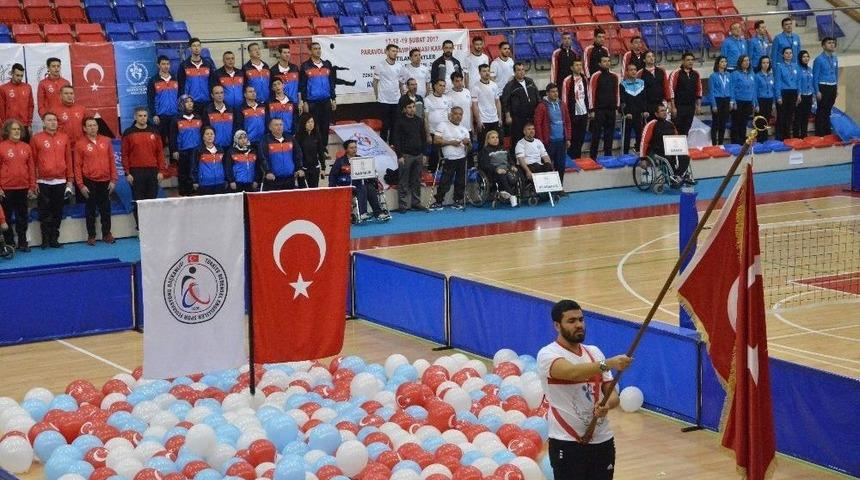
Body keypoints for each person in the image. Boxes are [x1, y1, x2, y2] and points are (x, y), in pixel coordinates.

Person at [538, 299, 632, 480]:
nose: (579, 325)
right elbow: (573, 373)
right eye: (572, 321)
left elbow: (612, 394)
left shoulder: (595, 353)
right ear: (557, 325)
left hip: (602, 440)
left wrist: (607, 405)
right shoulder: (548, 354)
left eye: (581, 319)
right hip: (566, 442)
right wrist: (610, 363)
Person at [30, 112, 72, 248]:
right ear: (43, 123)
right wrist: (34, 181)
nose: (53, 122)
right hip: (43, 181)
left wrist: (69, 180)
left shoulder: (64, 137)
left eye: (55, 120)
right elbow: (32, 162)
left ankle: (54, 239)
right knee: (44, 212)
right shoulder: (36, 138)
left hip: (60, 181)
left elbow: (68, 160)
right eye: (49, 120)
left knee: (57, 211)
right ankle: (45, 240)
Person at [74, 117, 117, 245]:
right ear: (84, 128)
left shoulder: (106, 141)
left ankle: (107, 234)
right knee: (90, 210)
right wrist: (81, 185)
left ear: (97, 127)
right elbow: (77, 166)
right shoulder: (80, 144)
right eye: (90, 125)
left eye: (94, 125)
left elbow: (112, 161)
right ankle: (91, 236)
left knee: (106, 209)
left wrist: (113, 180)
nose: (93, 127)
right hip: (89, 181)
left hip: (105, 181)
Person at [121, 107, 164, 227]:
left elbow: (160, 152)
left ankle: (151, 227)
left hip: (152, 171)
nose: (143, 118)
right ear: (135, 117)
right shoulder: (128, 133)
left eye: (145, 115)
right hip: (136, 172)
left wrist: (160, 171)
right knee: (138, 201)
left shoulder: (154, 132)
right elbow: (125, 154)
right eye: (140, 116)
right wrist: (127, 173)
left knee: (151, 201)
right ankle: (140, 228)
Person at [329, 139, 390, 221]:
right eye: (351, 148)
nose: (354, 149)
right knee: (362, 187)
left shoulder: (360, 159)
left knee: (370, 188)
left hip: (361, 182)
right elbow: (333, 175)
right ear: (346, 149)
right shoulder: (340, 161)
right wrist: (332, 189)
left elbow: (367, 172)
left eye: (355, 147)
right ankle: (362, 213)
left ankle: (378, 213)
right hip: (347, 184)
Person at [0, 120, 36, 252]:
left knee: (22, 217)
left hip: (23, 188)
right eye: (14, 129)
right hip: (6, 189)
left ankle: (22, 242)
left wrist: (32, 186)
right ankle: (9, 243)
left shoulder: (26, 147)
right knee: (7, 218)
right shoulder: (1, 147)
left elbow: (31, 168)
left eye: (18, 129)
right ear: (7, 132)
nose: (17, 131)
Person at [641, 104, 693, 187]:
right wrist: (643, 158)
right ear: (656, 114)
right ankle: (673, 178)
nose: (664, 112)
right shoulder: (651, 124)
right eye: (662, 111)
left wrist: (682, 149)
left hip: (670, 150)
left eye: (665, 110)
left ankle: (678, 175)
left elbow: (677, 139)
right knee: (666, 159)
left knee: (685, 157)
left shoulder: (670, 124)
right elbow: (644, 142)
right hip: (655, 152)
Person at [430, 106, 471, 211]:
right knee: (445, 181)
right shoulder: (443, 125)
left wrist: (468, 143)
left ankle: (457, 201)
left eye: (460, 114)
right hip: (449, 158)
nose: (458, 116)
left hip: (461, 157)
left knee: (460, 181)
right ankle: (438, 201)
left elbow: (469, 148)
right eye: (456, 114)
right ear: (450, 115)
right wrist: (450, 142)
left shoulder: (464, 129)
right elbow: (436, 141)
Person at [392, 97, 428, 213]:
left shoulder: (419, 120)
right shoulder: (399, 122)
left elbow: (423, 138)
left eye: (413, 107)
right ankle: (402, 205)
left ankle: (416, 203)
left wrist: (424, 153)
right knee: (403, 181)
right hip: (405, 155)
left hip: (418, 154)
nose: (412, 109)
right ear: (404, 109)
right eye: (409, 107)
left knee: (416, 180)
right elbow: (396, 140)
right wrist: (399, 155)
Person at [300, 42, 337, 151]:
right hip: (312, 102)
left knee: (325, 126)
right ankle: (315, 148)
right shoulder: (305, 66)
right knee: (314, 126)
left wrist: (333, 99)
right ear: (310, 51)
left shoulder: (327, 64)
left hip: (326, 101)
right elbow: (302, 85)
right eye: (315, 49)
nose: (318, 51)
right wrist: (304, 101)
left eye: (319, 48)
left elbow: (331, 83)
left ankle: (324, 148)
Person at [533, 83, 570, 186]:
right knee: (548, 166)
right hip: (548, 142)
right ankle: (548, 188)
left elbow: (567, 122)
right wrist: (541, 141)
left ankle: (559, 187)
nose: (555, 94)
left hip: (561, 141)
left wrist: (568, 138)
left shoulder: (562, 104)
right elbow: (537, 124)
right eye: (553, 92)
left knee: (561, 166)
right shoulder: (542, 106)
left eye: (557, 91)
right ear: (547, 93)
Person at [169, 95, 203, 196]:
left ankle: (195, 191)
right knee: (183, 173)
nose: (189, 103)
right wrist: (174, 150)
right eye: (186, 102)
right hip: (183, 150)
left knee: (195, 170)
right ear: (181, 104)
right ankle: (184, 193)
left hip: (196, 150)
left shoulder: (198, 117)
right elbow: (173, 136)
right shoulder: (176, 119)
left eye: (191, 101)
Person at [501, 62, 539, 150]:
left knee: (531, 137)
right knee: (517, 138)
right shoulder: (510, 85)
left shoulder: (530, 81)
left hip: (531, 115)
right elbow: (505, 101)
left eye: (523, 70)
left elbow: (537, 96)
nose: (521, 72)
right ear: (514, 72)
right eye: (518, 70)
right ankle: (516, 159)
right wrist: (507, 115)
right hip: (517, 117)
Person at [259, 117, 303, 190]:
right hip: (273, 179)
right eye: (276, 125)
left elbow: (298, 154)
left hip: (290, 178)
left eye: (281, 124)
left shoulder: (290, 138)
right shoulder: (265, 140)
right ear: (270, 127)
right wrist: (267, 171)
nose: (279, 127)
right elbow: (263, 158)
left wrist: (299, 168)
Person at [588, 56, 619, 159]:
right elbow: (591, 93)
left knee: (609, 135)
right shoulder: (595, 76)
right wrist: (592, 110)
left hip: (611, 110)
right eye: (604, 61)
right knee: (596, 134)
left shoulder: (614, 76)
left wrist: (617, 108)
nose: (607, 63)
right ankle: (593, 157)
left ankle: (608, 156)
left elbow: (617, 93)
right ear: (600, 64)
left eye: (608, 61)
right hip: (599, 110)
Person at [478, 129, 517, 206]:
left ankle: (505, 192)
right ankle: (512, 195)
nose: (495, 139)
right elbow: (484, 165)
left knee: (515, 174)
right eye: (493, 137)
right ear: (488, 140)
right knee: (502, 175)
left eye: (497, 137)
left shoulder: (503, 149)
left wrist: (512, 166)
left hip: (506, 170)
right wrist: (497, 169)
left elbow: (510, 160)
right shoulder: (485, 150)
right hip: (493, 172)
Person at [374, 44, 404, 143]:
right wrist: (377, 96)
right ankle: (383, 144)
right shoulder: (380, 65)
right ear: (386, 52)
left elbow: (401, 83)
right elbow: (375, 82)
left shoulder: (399, 66)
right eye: (392, 51)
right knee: (384, 125)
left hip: (396, 100)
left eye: (396, 51)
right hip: (383, 100)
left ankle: (392, 145)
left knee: (394, 125)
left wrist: (402, 97)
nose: (394, 53)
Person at [148, 55, 179, 148]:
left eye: (168, 64)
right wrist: (154, 114)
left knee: (174, 142)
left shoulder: (175, 78)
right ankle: (162, 162)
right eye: (163, 64)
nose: (166, 66)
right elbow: (150, 99)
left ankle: (173, 162)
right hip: (161, 116)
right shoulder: (153, 80)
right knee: (161, 142)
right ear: (158, 65)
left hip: (174, 115)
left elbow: (180, 97)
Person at [177, 38, 217, 109]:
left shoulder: (208, 64)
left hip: (207, 102)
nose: (196, 48)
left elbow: (213, 82)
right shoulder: (184, 65)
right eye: (194, 46)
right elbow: (180, 85)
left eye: (198, 46)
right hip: (191, 103)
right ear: (190, 48)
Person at [669, 52, 702, 135]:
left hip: (691, 106)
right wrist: (673, 107)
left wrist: (698, 106)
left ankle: (683, 146)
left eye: (692, 60)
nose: (690, 62)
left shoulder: (696, 74)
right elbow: (671, 90)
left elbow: (699, 90)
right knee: (677, 129)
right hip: (678, 106)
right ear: (682, 61)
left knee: (686, 129)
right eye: (688, 60)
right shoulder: (675, 73)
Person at [562, 59, 589, 159]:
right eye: (576, 65)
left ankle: (578, 157)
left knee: (581, 137)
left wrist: (589, 109)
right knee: (572, 138)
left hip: (584, 113)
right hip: (573, 114)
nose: (579, 67)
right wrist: (566, 113)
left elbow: (587, 95)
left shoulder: (585, 79)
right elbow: (564, 97)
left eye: (580, 65)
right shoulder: (567, 80)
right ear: (572, 68)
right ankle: (570, 158)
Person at [424, 78, 452, 171]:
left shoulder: (448, 99)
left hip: (445, 132)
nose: (442, 87)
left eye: (444, 86)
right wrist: (428, 134)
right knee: (435, 153)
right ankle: (432, 171)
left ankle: (446, 170)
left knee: (447, 152)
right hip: (433, 131)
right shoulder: (427, 99)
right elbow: (426, 118)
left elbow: (449, 116)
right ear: (435, 86)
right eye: (440, 85)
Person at [0, 64, 34, 140]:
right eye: (17, 75)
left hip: (24, 125)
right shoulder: (3, 88)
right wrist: (3, 127)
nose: (20, 78)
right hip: (10, 126)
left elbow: (30, 106)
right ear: (12, 73)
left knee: (24, 149)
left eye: (21, 76)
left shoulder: (27, 87)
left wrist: (29, 124)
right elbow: (1, 109)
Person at [516, 122, 554, 190]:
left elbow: (545, 156)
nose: (532, 131)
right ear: (524, 132)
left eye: (533, 129)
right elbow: (520, 160)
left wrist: (550, 168)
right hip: (528, 166)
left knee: (548, 165)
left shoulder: (538, 142)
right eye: (529, 129)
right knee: (537, 166)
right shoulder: (520, 144)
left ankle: (553, 189)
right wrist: (527, 171)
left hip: (538, 165)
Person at [471, 64, 502, 148]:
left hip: (494, 120)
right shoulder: (475, 87)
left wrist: (499, 118)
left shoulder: (494, 85)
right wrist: (478, 120)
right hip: (483, 121)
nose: (487, 73)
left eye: (488, 71)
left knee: (497, 144)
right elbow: (474, 105)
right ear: (479, 73)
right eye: (484, 71)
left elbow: (497, 102)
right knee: (482, 145)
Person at [190, 126, 227, 195]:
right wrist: (195, 181)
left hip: (220, 182)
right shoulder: (198, 150)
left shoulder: (220, 149)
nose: (210, 136)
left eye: (212, 134)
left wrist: (226, 179)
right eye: (207, 134)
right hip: (205, 184)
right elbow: (194, 166)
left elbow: (225, 165)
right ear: (203, 137)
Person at [620, 63, 647, 155]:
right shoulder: (623, 84)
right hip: (628, 115)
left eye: (635, 69)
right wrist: (626, 112)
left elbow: (644, 99)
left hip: (639, 114)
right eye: (631, 70)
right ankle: (625, 154)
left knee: (640, 134)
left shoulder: (641, 83)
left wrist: (645, 110)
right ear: (627, 72)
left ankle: (639, 152)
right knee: (626, 135)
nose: (633, 71)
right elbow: (622, 101)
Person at [813, 37, 838, 136]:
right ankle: (820, 133)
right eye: (829, 43)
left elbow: (836, 74)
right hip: (823, 86)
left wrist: (836, 88)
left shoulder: (835, 58)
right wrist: (817, 91)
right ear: (823, 46)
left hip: (833, 87)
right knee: (821, 111)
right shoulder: (819, 59)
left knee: (828, 111)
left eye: (833, 42)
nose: (832, 44)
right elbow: (815, 76)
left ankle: (827, 132)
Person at [730, 55, 757, 145]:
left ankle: (742, 141)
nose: (747, 62)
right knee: (736, 123)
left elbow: (754, 89)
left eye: (748, 60)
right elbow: (732, 88)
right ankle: (734, 142)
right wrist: (733, 101)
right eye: (744, 60)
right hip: (738, 101)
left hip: (748, 101)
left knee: (744, 123)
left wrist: (754, 102)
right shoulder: (735, 74)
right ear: (740, 62)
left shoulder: (752, 73)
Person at [294, 113, 325, 188]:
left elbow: (321, 151)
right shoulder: (298, 137)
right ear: (303, 123)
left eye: (312, 122)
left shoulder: (317, 135)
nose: (311, 124)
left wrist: (323, 167)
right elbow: (296, 154)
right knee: (304, 192)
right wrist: (299, 168)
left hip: (315, 168)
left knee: (314, 191)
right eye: (308, 122)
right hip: (303, 169)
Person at [774, 47, 799, 140]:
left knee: (789, 116)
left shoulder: (795, 66)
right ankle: (779, 138)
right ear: (783, 55)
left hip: (793, 93)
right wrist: (778, 96)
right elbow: (777, 82)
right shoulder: (779, 66)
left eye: (790, 53)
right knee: (781, 116)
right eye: (786, 53)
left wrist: (798, 94)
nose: (789, 55)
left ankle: (787, 137)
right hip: (783, 92)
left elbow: (798, 81)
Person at [203, 84, 237, 149]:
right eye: (217, 93)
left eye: (221, 92)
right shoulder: (207, 110)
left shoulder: (231, 110)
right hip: (214, 147)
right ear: (212, 95)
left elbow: (235, 127)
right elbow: (205, 128)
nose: (220, 95)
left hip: (229, 146)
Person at [638, 51, 670, 117]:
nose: (651, 58)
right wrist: (643, 109)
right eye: (649, 57)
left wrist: (669, 102)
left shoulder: (661, 71)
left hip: (660, 104)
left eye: (652, 56)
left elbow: (666, 87)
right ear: (644, 60)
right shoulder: (640, 73)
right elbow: (638, 93)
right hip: (647, 106)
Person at [708, 56, 732, 145]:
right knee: (716, 123)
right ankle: (714, 143)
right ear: (718, 63)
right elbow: (711, 91)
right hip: (717, 100)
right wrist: (714, 104)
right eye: (722, 61)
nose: (724, 63)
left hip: (726, 100)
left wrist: (731, 101)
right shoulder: (713, 76)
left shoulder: (729, 75)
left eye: (725, 61)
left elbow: (731, 89)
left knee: (723, 123)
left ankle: (721, 143)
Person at [270, 44, 301, 109]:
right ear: (279, 54)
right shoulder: (273, 70)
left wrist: (300, 101)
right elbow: (272, 89)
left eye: (288, 52)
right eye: (284, 53)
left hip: (295, 104)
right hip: (279, 105)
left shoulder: (295, 68)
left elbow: (299, 87)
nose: (287, 55)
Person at [447, 72, 473, 140]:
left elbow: (470, 109)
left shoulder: (467, 92)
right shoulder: (448, 95)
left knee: (469, 149)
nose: (460, 83)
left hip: (468, 128)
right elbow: (448, 114)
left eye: (461, 80)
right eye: (457, 81)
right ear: (452, 82)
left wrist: (472, 125)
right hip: (456, 129)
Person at [794, 50, 814, 139]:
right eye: (804, 57)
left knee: (806, 117)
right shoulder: (797, 69)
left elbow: (812, 82)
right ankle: (796, 136)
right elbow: (797, 83)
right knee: (798, 117)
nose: (806, 58)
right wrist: (798, 94)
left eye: (807, 56)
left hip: (809, 95)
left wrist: (813, 94)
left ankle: (804, 135)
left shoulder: (810, 69)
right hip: (800, 96)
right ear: (800, 58)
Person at [755, 56, 775, 142]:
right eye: (763, 63)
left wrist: (773, 103)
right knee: (760, 121)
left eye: (767, 63)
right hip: (761, 100)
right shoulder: (757, 76)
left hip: (769, 100)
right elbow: (754, 91)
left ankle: (765, 139)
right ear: (760, 64)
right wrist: (756, 104)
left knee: (766, 120)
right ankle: (760, 140)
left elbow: (773, 89)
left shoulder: (771, 75)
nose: (766, 64)